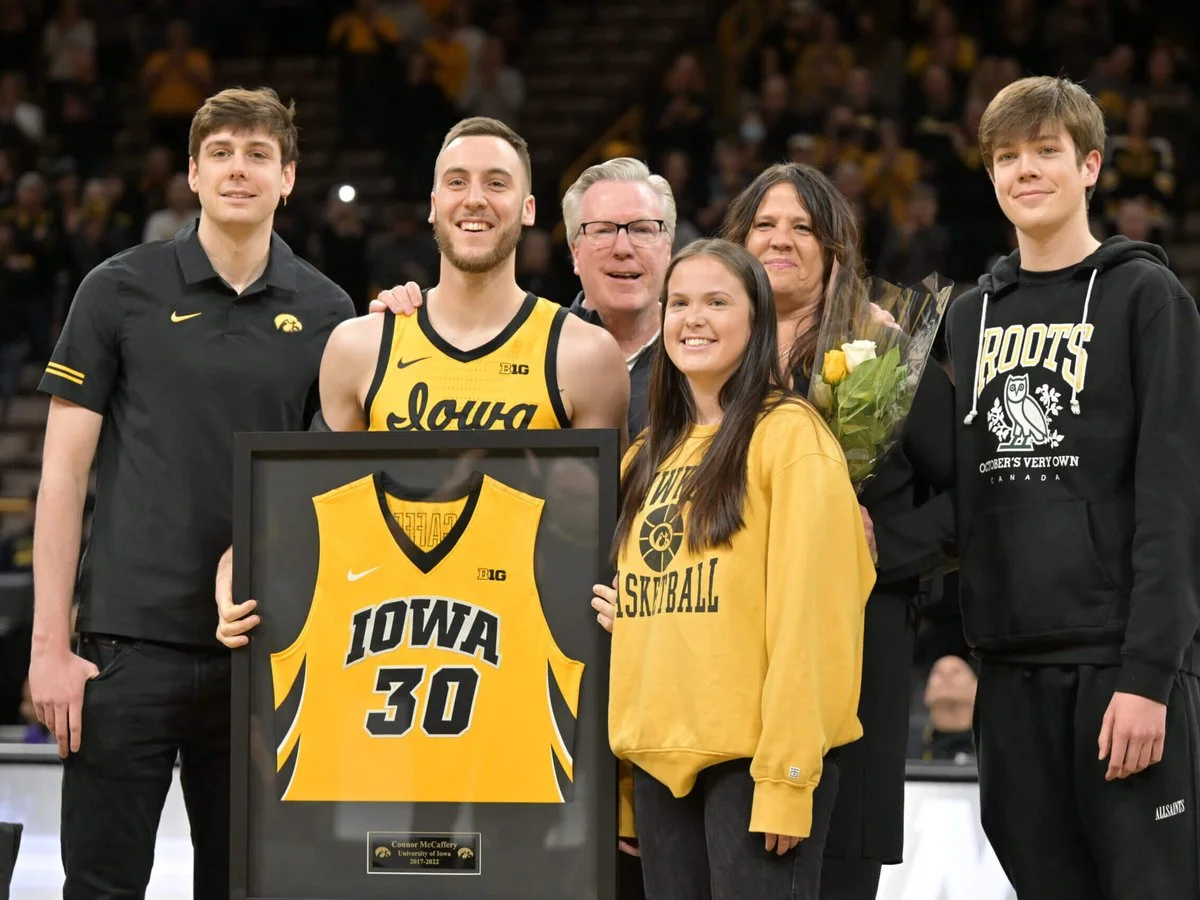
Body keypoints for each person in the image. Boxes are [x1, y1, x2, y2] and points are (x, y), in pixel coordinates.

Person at [25, 88, 366, 899]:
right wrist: (49, 647)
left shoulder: (329, 311)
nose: (238, 170)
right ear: (192, 173)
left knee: (246, 888)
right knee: (100, 888)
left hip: (266, 653)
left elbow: (335, 484)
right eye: (221, 153)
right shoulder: (118, 289)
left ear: (288, 177)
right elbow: (63, 475)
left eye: (257, 155)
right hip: (123, 649)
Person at [950, 74, 1200, 898]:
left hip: (1119, 671)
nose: (1026, 170)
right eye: (1007, 156)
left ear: (1090, 165)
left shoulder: (1147, 296)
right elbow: (962, 494)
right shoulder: (966, 317)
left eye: (1046, 152)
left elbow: (1173, 502)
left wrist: (1147, 677)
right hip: (1010, 676)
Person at [593, 237, 874, 899]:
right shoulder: (644, 457)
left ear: (755, 324)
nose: (693, 318)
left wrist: (787, 776)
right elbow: (638, 628)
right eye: (680, 302)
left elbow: (816, 620)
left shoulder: (792, 437)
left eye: (717, 302)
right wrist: (630, 784)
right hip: (662, 774)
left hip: (753, 769)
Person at [719, 162, 956, 899]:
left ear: (834, 247)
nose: (781, 239)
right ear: (739, 239)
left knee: (836, 867)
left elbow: (975, 496)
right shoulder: (706, 352)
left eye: (803, 226)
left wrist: (876, 553)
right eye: (765, 224)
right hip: (729, 652)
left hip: (856, 646)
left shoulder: (882, 354)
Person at [313, 116, 629, 438]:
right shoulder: (357, 347)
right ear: (434, 206)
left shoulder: (588, 356)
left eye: (496, 183)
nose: (475, 199)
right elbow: (330, 487)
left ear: (527, 209)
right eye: (456, 182)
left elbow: (602, 489)